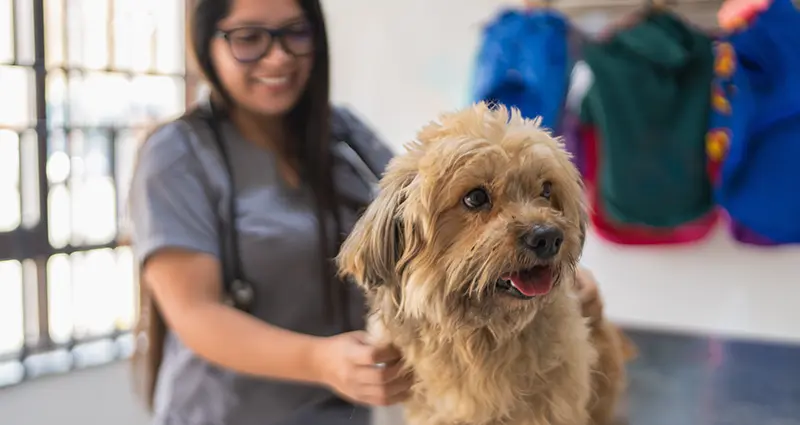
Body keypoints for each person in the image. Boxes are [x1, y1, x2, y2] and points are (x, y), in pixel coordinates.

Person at [128, 0, 609, 424]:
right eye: (249, 38)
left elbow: (434, 219)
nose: (278, 56)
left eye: (296, 33)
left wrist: (551, 273)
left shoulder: (341, 131)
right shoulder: (177, 153)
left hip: (344, 412)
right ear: (205, 45)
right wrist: (320, 362)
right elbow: (194, 312)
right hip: (227, 414)